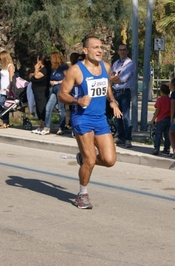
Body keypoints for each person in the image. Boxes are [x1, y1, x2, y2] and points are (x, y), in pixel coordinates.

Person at [58, 36, 122, 209]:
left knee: (109, 160)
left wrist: (112, 101)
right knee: (91, 161)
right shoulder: (76, 70)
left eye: (101, 47)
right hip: (82, 119)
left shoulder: (105, 66)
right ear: (85, 50)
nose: (100, 50)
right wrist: (77, 101)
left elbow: (106, 84)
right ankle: (82, 194)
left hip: (100, 118)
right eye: (95, 47)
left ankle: (84, 159)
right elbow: (62, 95)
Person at [110, 44, 135, 148]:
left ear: (127, 51)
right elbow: (111, 76)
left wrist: (114, 78)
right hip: (116, 92)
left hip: (125, 92)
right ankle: (121, 137)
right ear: (118, 51)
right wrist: (114, 78)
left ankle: (128, 138)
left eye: (124, 50)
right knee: (117, 116)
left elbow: (123, 79)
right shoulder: (115, 63)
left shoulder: (130, 63)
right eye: (120, 50)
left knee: (125, 116)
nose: (122, 51)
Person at [44, 52, 69, 135]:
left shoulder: (63, 67)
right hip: (54, 89)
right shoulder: (53, 68)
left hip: (60, 88)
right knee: (48, 107)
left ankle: (61, 127)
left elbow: (68, 78)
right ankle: (47, 127)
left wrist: (57, 82)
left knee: (61, 109)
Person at [0, 51, 15, 129]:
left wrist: (10, 89)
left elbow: (11, 79)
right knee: (5, 106)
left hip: (7, 89)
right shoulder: (4, 67)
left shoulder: (10, 66)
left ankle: (2, 119)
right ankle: (5, 122)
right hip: (2, 89)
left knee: (2, 105)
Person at [29, 54, 50, 135]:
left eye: (38, 59)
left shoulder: (45, 69)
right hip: (36, 91)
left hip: (42, 91)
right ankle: (40, 125)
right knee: (38, 108)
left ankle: (44, 125)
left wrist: (36, 69)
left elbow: (36, 76)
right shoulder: (41, 69)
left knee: (42, 108)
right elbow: (31, 76)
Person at [150, 83, 171, 155]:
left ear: (161, 91)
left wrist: (153, 119)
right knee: (167, 135)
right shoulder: (170, 100)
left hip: (161, 119)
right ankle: (167, 149)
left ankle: (156, 148)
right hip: (169, 119)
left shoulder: (160, 100)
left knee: (158, 134)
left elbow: (157, 111)